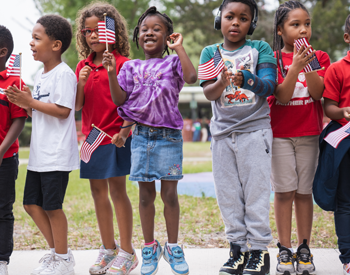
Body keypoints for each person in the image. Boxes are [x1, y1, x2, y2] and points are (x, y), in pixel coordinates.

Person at [102, 6, 197, 275]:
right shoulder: (130, 67)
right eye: (144, 29)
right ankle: (149, 247)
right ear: (137, 36)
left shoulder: (173, 62)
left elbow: (192, 78)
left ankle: (174, 247)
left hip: (168, 137)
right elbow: (121, 101)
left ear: (168, 35)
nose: (149, 32)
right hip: (141, 136)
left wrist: (179, 48)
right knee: (145, 196)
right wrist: (110, 72)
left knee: (169, 195)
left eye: (157, 29)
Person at [199, 0, 277, 274]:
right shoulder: (210, 52)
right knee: (228, 196)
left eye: (243, 18)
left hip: (255, 131)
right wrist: (221, 82)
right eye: (230, 16)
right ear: (219, 19)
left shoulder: (260, 49)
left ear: (252, 24)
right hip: (222, 135)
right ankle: (237, 249)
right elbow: (208, 92)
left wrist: (247, 79)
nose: (235, 23)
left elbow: (269, 86)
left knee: (255, 194)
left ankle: (258, 251)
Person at [5, 15, 79, 275]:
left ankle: (62, 259)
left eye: (37, 38)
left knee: (52, 206)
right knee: (30, 204)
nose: (32, 43)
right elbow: (40, 112)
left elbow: (62, 111)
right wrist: (25, 103)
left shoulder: (64, 74)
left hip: (56, 154)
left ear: (56, 45)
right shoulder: (43, 76)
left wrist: (30, 103)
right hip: (39, 154)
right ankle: (60, 254)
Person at [75, 2, 138, 275]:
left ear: (113, 32)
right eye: (87, 31)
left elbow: (131, 104)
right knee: (97, 194)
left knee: (117, 192)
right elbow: (78, 106)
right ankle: (108, 249)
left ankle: (127, 252)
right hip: (91, 139)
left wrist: (124, 131)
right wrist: (80, 81)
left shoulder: (124, 64)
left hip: (115, 138)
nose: (93, 35)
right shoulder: (83, 65)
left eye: (99, 29)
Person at [268, 1, 330, 274]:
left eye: (307, 24)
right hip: (280, 135)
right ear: (280, 30)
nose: (303, 29)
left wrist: (309, 64)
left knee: (304, 193)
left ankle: (304, 248)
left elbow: (317, 93)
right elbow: (281, 96)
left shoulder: (321, 57)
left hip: (309, 134)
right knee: (284, 193)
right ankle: (284, 249)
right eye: (295, 25)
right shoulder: (270, 58)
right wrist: (294, 67)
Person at [313, 14, 350, 275]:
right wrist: (345, 112)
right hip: (345, 144)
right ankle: (349, 257)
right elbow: (330, 108)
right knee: (346, 202)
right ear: (347, 37)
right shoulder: (337, 69)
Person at [0, 25, 27, 275]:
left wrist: (1, 150)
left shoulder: (14, 82)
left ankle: (1, 260)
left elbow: (19, 119)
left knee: (2, 209)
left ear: (2, 51)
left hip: (5, 159)